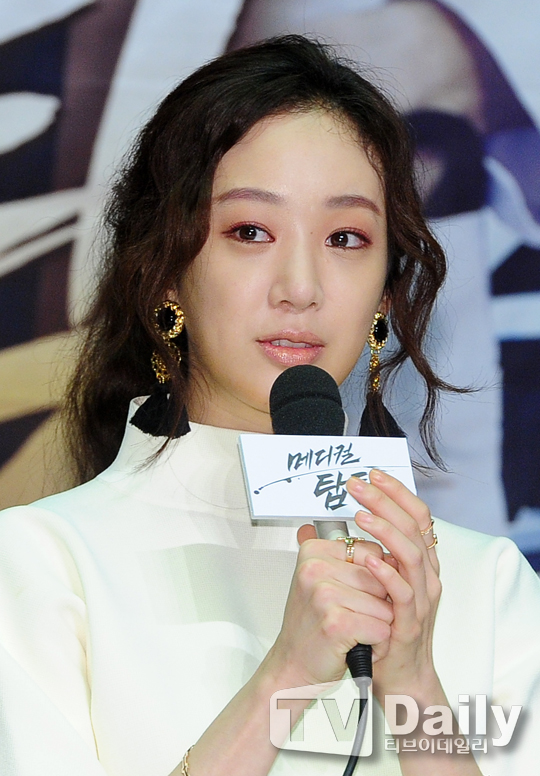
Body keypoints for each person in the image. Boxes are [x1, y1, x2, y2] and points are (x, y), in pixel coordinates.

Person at [0, 35, 538, 776]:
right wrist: (284, 678)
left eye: (345, 237)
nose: (301, 287)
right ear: (164, 272)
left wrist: (415, 685)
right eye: (250, 232)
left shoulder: (488, 584)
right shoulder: (43, 566)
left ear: (386, 295)